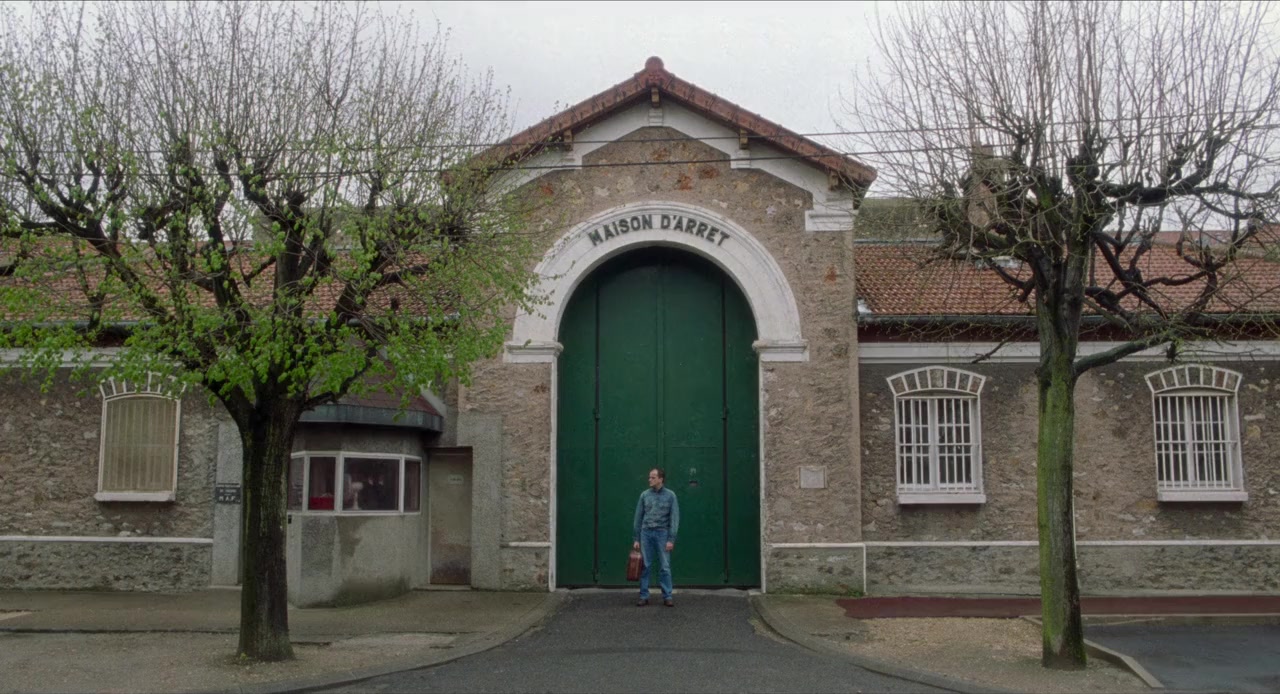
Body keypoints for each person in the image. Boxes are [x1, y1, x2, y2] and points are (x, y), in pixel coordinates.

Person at [632, 467, 680, 607]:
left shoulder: (671, 496)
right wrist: (636, 538)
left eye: (653, 477)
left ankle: (667, 596)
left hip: (662, 533)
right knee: (645, 565)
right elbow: (638, 517)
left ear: (661, 479)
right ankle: (643, 596)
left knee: (665, 566)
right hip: (646, 533)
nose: (650, 480)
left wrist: (671, 539)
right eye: (649, 477)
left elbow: (674, 518)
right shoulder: (644, 495)